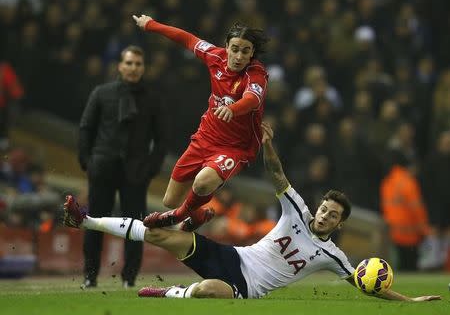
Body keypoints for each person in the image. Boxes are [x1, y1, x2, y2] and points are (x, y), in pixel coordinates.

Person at [63, 123, 440, 301]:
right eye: (324, 209)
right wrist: (268, 144)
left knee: (208, 291)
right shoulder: (296, 210)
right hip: (232, 257)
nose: (323, 216)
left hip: (246, 287)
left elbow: (366, 286)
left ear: (339, 224)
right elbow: (277, 174)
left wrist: (409, 300)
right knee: (160, 235)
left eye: (331, 216)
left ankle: (170, 293)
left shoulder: (333, 256)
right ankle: (88, 220)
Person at [132, 14, 269, 230]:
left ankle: (175, 217)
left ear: (252, 53)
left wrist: (232, 109)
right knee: (170, 199)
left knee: (202, 182)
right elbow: (187, 38)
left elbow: (252, 100)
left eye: (245, 51)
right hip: (204, 137)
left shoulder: (256, 73)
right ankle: (196, 216)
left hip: (235, 148)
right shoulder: (216, 56)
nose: (239, 56)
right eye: (235, 49)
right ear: (226, 47)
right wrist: (151, 25)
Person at [77, 45, 168, 288]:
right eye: (129, 63)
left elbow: (162, 140)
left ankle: (129, 278)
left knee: (135, 228)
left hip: (136, 172)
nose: (133, 68)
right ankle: (90, 276)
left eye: (138, 64)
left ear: (144, 68)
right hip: (103, 167)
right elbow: (86, 127)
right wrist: (87, 161)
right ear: (120, 65)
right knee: (94, 223)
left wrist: (151, 168)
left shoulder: (152, 98)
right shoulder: (102, 93)